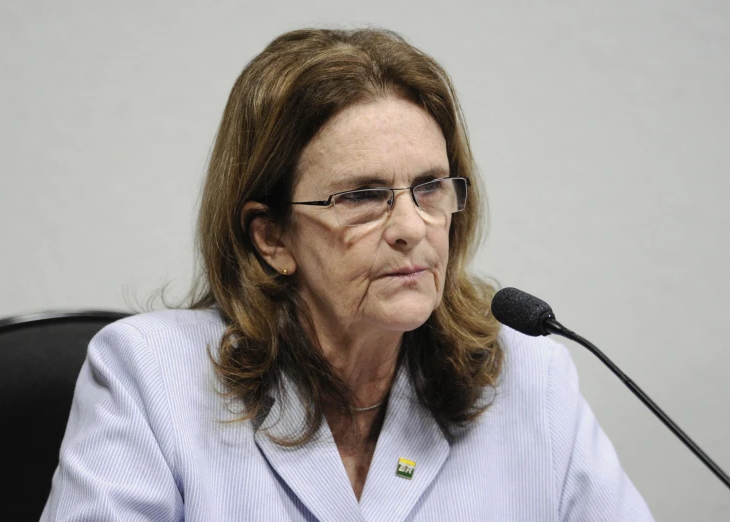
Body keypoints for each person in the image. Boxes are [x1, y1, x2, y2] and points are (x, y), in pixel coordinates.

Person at [41, 28, 654, 521]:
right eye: (363, 195)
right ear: (273, 237)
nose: (411, 226)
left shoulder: (528, 378)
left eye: (430, 187)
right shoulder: (151, 378)